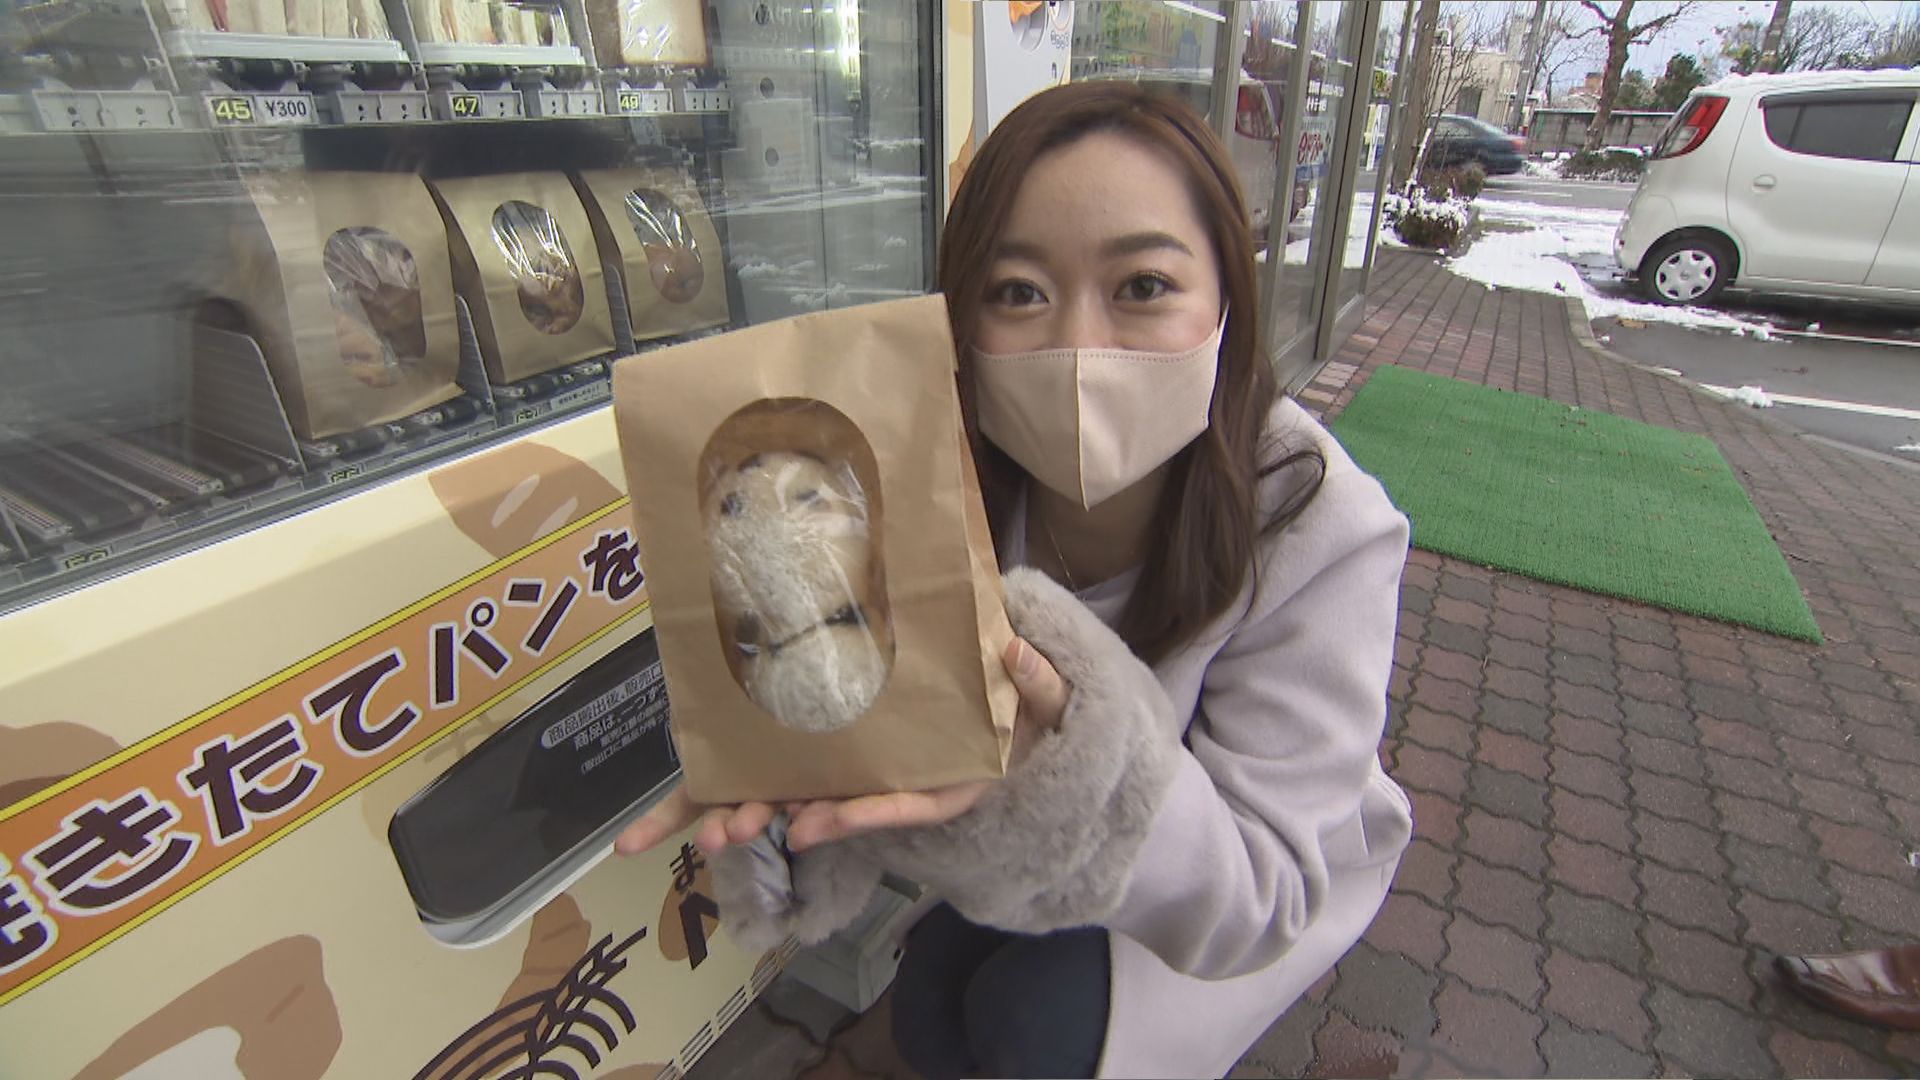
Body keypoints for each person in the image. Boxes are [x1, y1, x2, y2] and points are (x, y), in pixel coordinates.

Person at [615, 80, 1415, 1079]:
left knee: (1036, 1030)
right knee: (931, 1013)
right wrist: (783, 768)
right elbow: (887, 718)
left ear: (1228, 301)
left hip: (1232, 881)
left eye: (1144, 285)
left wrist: (1071, 755)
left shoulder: (1322, 526)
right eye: (1020, 292)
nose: (1079, 344)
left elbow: (1258, 899)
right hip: (1033, 858)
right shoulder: (935, 473)